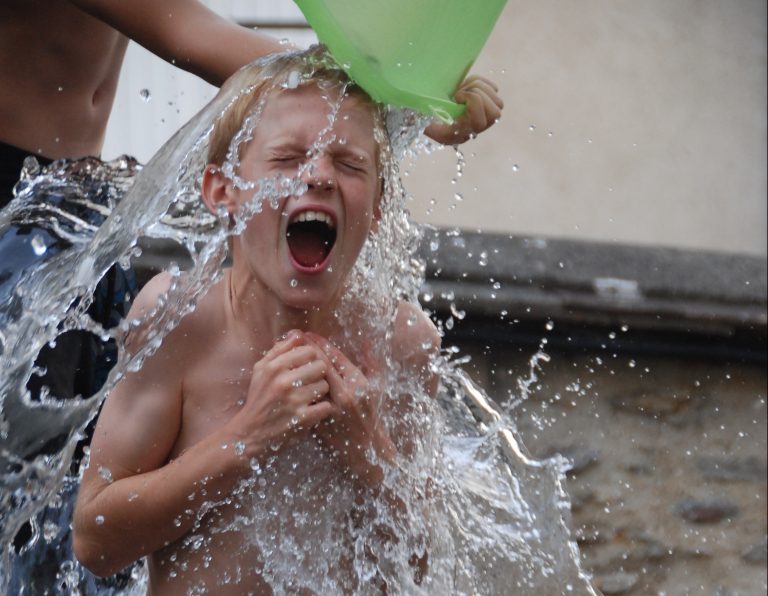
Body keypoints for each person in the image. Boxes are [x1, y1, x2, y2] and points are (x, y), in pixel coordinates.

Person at [71, 48, 502, 593]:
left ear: (377, 205)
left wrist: (368, 450)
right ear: (222, 191)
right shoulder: (178, 318)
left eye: (348, 164)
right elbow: (95, 542)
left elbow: (432, 564)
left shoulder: (401, 342)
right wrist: (246, 439)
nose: (319, 176)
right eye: (288, 159)